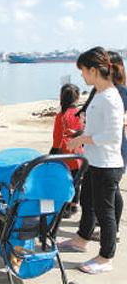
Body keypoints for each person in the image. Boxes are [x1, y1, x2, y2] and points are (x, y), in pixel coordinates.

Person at [59, 47, 124, 274]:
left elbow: (113, 136)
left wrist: (84, 138)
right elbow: (95, 127)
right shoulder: (98, 93)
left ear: (94, 70)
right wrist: (80, 137)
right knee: (88, 202)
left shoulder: (111, 97)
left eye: (83, 71)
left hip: (107, 165)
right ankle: (81, 239)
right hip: (93, 161)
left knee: (105, 213)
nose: (82, 76)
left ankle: (106, 257)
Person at [50, 83, 83, 218]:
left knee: (65, 180)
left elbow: (57, 139)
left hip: (65, 154)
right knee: (76, 181)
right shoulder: (80, 114)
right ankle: (75, 205)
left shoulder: (61, 116)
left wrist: (51, 154)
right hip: (79, 154)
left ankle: (66, 206)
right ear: (77, 98)